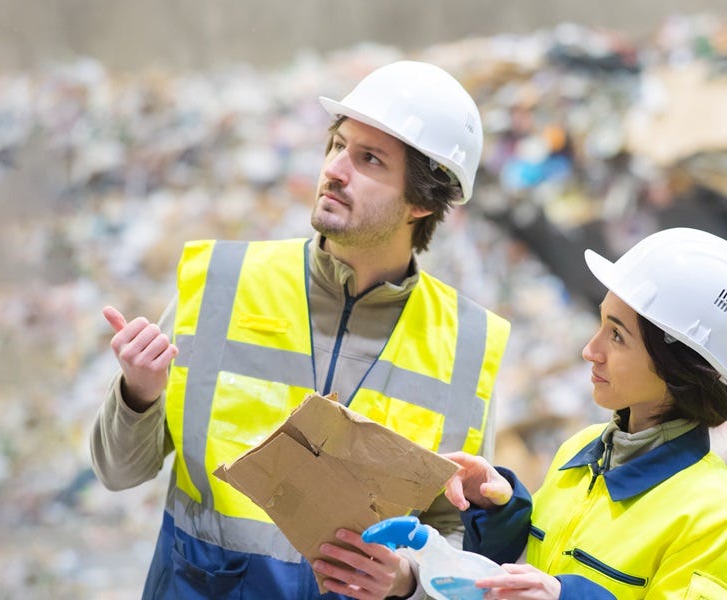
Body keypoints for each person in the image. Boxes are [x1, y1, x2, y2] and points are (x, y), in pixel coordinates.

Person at [89, 60, 511, 600]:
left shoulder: (467, 345)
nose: (335, 169)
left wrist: (408, 580)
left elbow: (455, 536)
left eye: (369, 159)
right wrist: (137, 394)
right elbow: (118, 472)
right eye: (337, 145)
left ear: (422, 201)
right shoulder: (223, 283)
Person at [439, 227, 727, 599]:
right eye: (602, 323)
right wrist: (500, 508)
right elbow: (536, 565)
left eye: (618, 335)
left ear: (678, 367)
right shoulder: (581, 450)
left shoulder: (713, 514)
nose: (590, 350)